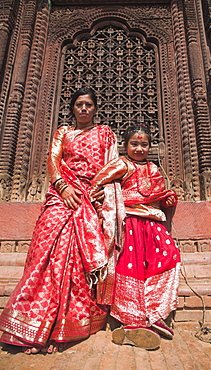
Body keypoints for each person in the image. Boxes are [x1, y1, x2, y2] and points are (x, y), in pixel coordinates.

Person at [0, 87, 119, 354]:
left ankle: (61, 329)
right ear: (73, 108)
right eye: (79, 104)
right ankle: (33, 327)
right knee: (44, 253)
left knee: (74, 261)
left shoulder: (104, 133)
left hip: (90, 199)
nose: (84, 109)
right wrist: (63, 187)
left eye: (88, 104)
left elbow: (111, 166)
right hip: (61, 195)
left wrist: (101, 189)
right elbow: (53, 159)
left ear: (95, 108)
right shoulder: (63, 132)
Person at [90, 124, 181, 350]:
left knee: (169, 259)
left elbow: (157, 195)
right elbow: (97, 182)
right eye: (134, 144)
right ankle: (132, 321)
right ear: (125, 146)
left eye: (144, 144)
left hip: (153, 223)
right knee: (131, 268)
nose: (139, 148)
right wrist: (103, 198)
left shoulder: (153, 168)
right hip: (130, 221)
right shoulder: (122, 164)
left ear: (150, 147)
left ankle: (155, 314)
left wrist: (166, 200)